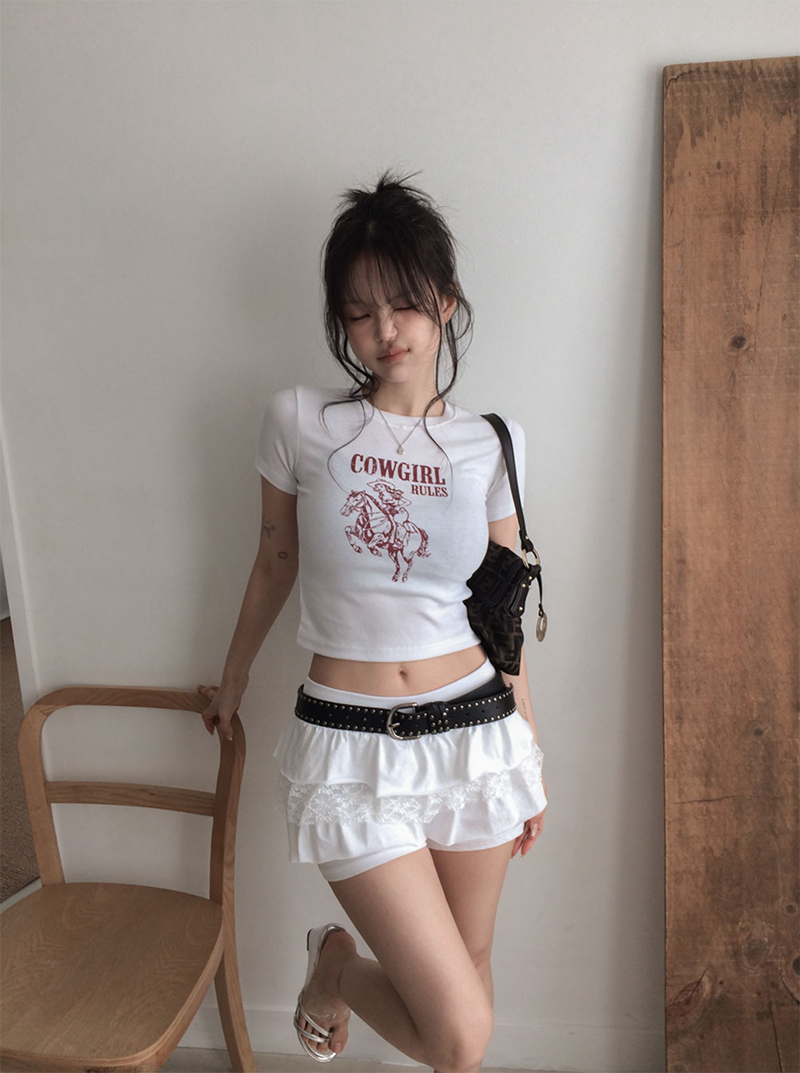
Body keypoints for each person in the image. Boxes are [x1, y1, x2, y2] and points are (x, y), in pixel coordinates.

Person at [199, 173, 547, 1073]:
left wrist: (525, 746)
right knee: (460, 1029)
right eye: (359, 313)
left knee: (467, 983)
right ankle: (335, 967)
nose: (385, 329)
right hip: (351, 743)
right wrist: (233, 678)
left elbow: (499, 601)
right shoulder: (301, 421)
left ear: (446, 302)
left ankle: (337, 973)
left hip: (476, 731)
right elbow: (274, 560)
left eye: (405, 303)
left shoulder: (493, 441)